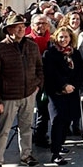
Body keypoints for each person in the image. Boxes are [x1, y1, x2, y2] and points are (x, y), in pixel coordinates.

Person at [0, 14, 44, 167]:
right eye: (17, 26)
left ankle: (26, 155)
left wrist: (38, 85)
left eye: (22, 26)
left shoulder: (31, 46)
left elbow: (39, 67)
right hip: (8, 97)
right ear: (9, 29)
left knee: (26, 127)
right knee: (3, 130)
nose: (21, 28)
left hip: (28, 94)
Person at [42, 27, 83, 164]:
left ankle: (60, 144)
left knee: (68, 119)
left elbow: (80, 72)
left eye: (66, 37)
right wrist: (63, 86)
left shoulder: (75, 54)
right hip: (57, 92)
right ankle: (55, 153)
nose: (63, 40)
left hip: (72, 92)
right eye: (61, 37)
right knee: (57, 120)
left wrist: (74, 86)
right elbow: (50, 73)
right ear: (56, 38)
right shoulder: (50, 54)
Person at [27, 14, 52, 149]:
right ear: (32, 25)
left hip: (47, 80)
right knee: (28, 111)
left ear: (48, 26)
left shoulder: (52, 41)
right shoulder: (27, 41)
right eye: (37, 23)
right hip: (31, 81)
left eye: (43, 23)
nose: (40, 26)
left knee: (43, 109)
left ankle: (40, 135)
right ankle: (27, 136)